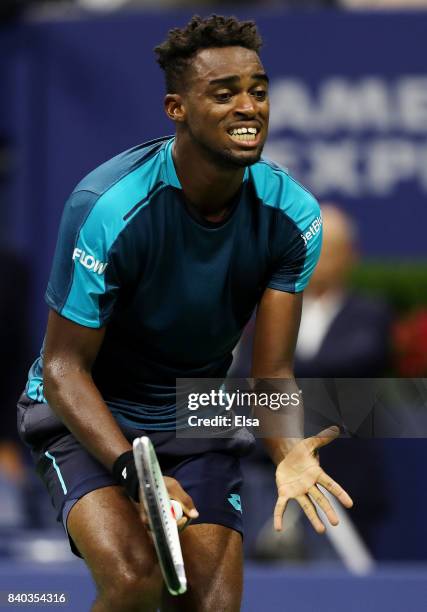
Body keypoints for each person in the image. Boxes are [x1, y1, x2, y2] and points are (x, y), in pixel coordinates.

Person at [17, 15, 352, 612]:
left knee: (211, 605)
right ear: (177, 108)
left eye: (259, 90)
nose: (248, 107)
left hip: (193, 413)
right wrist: (134, 475)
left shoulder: (292, 213)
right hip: (83, 411)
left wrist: (288, 450)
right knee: (134, 578)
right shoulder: (109, 207)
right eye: (223, 94)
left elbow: (270, 373)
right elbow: (65, 366)